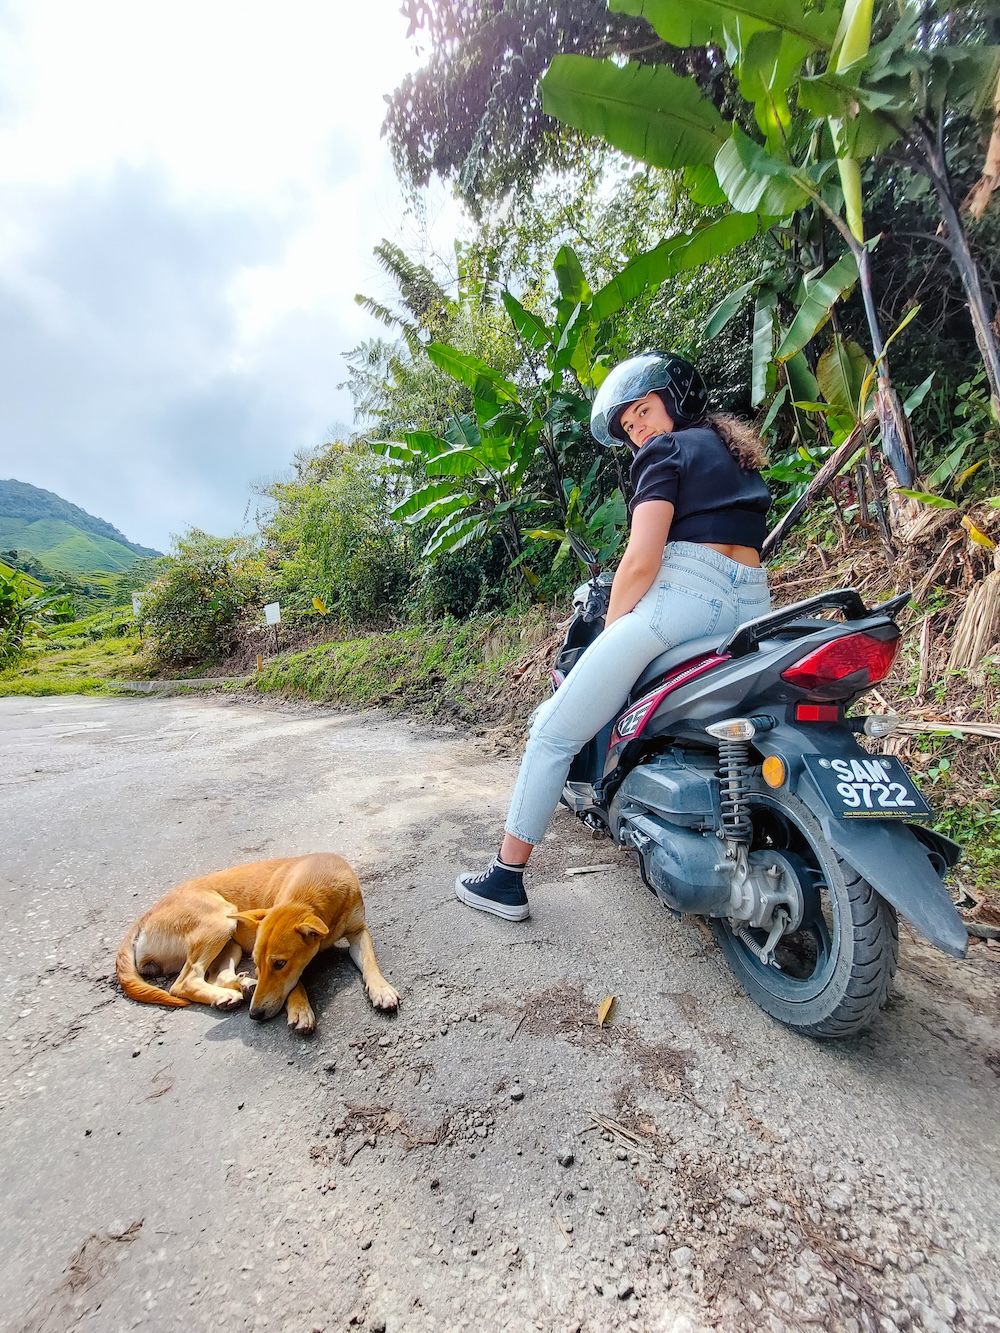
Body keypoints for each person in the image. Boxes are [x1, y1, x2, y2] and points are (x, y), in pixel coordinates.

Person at [455, 350, 772, 921]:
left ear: (676, 403)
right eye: (629, 426)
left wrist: (608, 628)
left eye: (644, 412)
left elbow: (641, 561)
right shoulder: (736, 456)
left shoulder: (665, 452)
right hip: (750, 603)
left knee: (552, 731)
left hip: (682, 600)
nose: (639, 430)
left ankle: (505, 878)